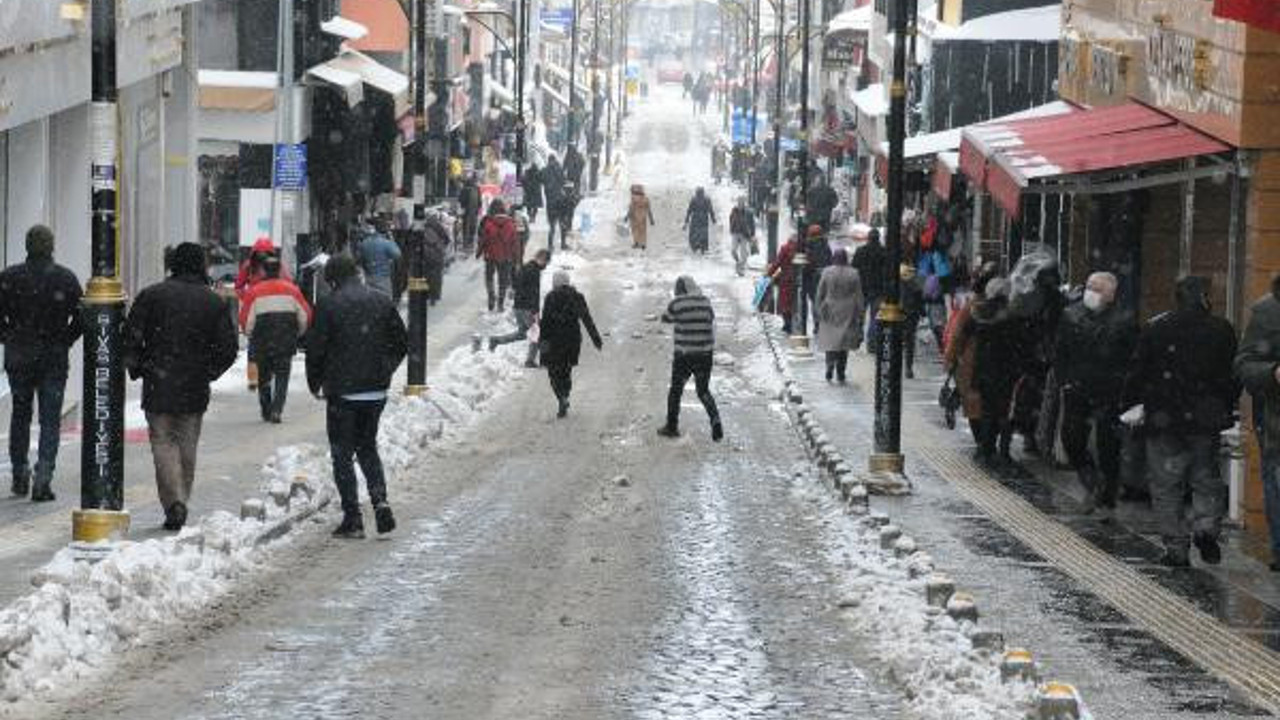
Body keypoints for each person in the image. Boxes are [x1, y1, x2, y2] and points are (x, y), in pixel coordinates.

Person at [1123, 276, 1237, 567]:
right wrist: (1224, 406)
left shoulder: (1156, 328)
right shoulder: (1221, 329)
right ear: (1203, 298)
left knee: (1165, 484)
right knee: (1205, 477)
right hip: (1205, 418)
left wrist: (1132, 404)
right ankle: (1206, 527)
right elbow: (1231, 375)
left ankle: (1175, 546)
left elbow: (1138, 371)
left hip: (1164, 418)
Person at [123, 243, 238, 531]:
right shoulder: (212, 302)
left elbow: (131, 337)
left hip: (158, 382)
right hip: (193, 385)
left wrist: (138, 367)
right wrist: (208, 371)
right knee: (187, 444)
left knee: (162, 443)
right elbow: (228, 348)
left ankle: (173, 501)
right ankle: (181, 499)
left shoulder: (152, 296)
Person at [306, 255, 408, 539]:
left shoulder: (328, 306)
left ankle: (353, 518)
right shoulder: (381, 300)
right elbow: (402, 341)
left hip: (343, 392)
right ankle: (380, 501)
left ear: (332, 279)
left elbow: (316, 349)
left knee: (342, 453)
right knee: (367, 448)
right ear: (357, 273)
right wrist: (383, 369)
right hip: (375, 391)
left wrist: (316, 383)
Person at [0, 225, 82, 500]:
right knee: (50, 419)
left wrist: (9, 336)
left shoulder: (9, 277)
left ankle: (20, 474)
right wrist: (65, 339)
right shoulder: (65, 279)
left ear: (27, 246)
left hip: (20, 354)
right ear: (51, 247)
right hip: (53, 357)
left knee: (20, 416)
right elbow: (82, 316)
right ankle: (43, 476)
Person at [1054, 272, 1137, 515]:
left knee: (1108, 444)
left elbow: (1133, 358)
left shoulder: (1124, 320)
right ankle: (1091, 480)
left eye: (1098, 289)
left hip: (1110, 390)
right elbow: (1060, 352)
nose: (1091, 292)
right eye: (1089, 287)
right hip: (1077, 387)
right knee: (1072, 437)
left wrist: (1126, 389)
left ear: (1111, 294)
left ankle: (1106, 495)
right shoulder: (1071, 315)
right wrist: (1064, 381)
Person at [1236, 273, 1280, 571]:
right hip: (1276, 421)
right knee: (1276, 482)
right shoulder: (1267, 311)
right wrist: (1273, 373)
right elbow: (1244, 364)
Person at [239, 256, 313, 424]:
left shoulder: (254, 291)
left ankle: (266, 409)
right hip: (285, 340)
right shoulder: (292, 290)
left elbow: (245, 320)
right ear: (280, 270)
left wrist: (250, 333)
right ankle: (277, 410)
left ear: (263, 270)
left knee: (263, 376)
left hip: (262, 341)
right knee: (282, 375)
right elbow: (305, 315)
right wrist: (298, 332)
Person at [657, 276, 723, 441]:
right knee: (703, 391)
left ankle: (672, 426)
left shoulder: (677, 304)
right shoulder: (706, 302)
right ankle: (715, 420)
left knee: (676, 390)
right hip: (704, 355)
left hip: (684, 355)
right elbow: (711, 318)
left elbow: (665, 318)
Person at [944, 263, 999, 448]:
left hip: (973, 362)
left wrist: (950, 360)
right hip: (994, 362)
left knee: (975, 403)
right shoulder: (1001, 305)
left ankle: (983, 443)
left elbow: (957, 335)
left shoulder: (972, 306)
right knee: (990, 404)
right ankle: (987, 443)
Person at [539, 270, 602, 418]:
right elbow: (586, 318)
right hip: (572, 340)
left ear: (555, 283)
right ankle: (565, 395)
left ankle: (561, 397)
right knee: (566, 370)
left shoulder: (550, 297)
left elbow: (545, 324)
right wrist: (596, 339)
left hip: (554, 341)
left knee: (553, 372)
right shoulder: (577, 297)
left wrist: (542, 348)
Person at [490, 249, 549, 367]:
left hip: (518, 307)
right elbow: (534, 293)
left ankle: (496, 340)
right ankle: (532, 361)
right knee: (538, 333)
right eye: (546, 262)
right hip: (527, 308)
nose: (546, 266)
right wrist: (535, 310)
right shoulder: (534, 271)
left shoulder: (525, 268)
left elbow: (516, 285)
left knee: (522, 334)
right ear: (541, 259)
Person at [815, 248, 863, 384]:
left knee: (830, 341)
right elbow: (859, 295)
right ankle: (841, 371)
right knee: (843, 342)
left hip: (830, 308)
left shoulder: (827, 272)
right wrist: (860, 312)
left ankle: (829, 364)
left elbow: (820, 292)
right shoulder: (854, 273)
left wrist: (818, 309)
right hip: (848, 309)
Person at [477, 200, 519, 312]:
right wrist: (516, 257)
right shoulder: (510, 223)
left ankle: (491, 295)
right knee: (503, 280)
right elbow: (515, 242)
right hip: (506, 256)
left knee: (489, 277)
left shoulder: (487, 222)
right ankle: (500, 303)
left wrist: (479, 252)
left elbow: (483, 239)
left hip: (490, 255)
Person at [853, 228, 887, 348]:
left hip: (862, 288)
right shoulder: (883, 252)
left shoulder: (860, 251)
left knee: (860, 315)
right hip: (878, 289)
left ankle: (857, 338)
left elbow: (854, 269)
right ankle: (872, 342)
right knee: (875, 317)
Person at [357, 218, 403, 298]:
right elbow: (397, 254)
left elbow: (360, 260)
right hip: (383, 279)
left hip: (369, 278)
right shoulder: (386, 243)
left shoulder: (364, 243)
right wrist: (392, 240)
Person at [766, 233, 801, 334]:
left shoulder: (785, 248)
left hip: (785, 279)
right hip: (795, 279)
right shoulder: (799, 250)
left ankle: (787, 324)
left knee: (784, 302)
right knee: (793, 302)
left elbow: (778, 263)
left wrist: (769, 273)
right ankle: (793, 323)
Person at [802, 225, 833, 333]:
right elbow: (830, 261)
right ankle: (823, 322)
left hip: (813, 279)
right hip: (824, 277)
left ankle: (817, 324)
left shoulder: (809, 247)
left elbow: (807, 264)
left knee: (815, 301)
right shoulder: (826, 246)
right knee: (823, 300)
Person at [899, 263, 925, 379]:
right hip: (911, 316)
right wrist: (922, 313)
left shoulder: (897, 286)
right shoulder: (916, 286)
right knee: (909, 342)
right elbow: (920, 303)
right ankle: (908, 368)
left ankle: (903, 366)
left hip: (900, 315)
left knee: (899, 342)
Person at [683, 187, 717, 255]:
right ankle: (702, 249)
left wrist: (686, 222)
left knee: (694, 235)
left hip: (696, 219)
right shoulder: (707, 199)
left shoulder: (694, 199)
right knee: (703, 235)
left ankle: (696, 248)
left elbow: (689, 211)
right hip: (703, 219)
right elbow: (711, 210)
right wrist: (713, 220)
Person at [729, 197, 756, 276]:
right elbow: (730, 220)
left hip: (744, 234)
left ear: (744, 203)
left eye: (742, 202)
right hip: (735, 233)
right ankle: (738, 262)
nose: (740, 204)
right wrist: (731, 229)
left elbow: (752, 224)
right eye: (739, 202)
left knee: (743, 253)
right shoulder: (734, 211)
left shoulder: (748, 212)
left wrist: (753, 235)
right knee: (733, 251)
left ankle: (741, 269)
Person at [550, 182, 580, 251]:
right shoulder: (568, 196)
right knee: (564, 229)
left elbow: (573, 204)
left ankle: (563, 244)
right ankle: (563, 244)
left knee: (564, 229)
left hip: (564, 214)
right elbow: (573, 204)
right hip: (565, 214)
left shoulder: (563, 195)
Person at [457, 174, 482, 251]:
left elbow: (461, 200)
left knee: (465, 227)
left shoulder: (465, 189)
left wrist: (462, 208)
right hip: (474, 212)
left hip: (467, 212)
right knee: (472, 227)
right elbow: (480, 202)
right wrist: (478, 209)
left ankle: (466, 244)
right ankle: (470, 243)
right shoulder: (477, 189)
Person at [627, 184, 656, 251]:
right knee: (643, 231)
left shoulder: (633, 199)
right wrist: (651, 219)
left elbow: (631, 208)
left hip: (634, 217)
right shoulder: (646, 199)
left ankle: (636, 242)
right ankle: (643, 243)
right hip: (643, 217)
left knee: (635, 230)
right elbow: (649, 210)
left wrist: (627, 216)